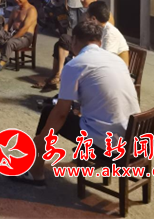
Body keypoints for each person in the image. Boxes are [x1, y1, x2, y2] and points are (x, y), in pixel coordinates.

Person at [18, 21, 140, 186]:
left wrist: (41, 139)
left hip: (109, 148)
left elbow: (61, 114)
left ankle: (36, 171)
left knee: (49, 112)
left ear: (74, 40)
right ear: (100, 42)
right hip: (134, 142)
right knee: (71, 113)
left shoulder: (75, 65)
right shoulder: (117, 60)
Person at [35, 0, 112, 91]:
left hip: (91, 46)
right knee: (59, 44)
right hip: (84, 41)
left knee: (64, 38)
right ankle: (55, 75)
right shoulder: (86, 11)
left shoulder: (102, 13)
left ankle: (59, 75)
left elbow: (102, 35)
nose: (81, 0)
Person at [0, 0, 37, 80]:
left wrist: (12, 38)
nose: (16, 0)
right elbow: (8, 23)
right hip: (13, 33)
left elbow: (25, 28)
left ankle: (0, 65)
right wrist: (5, 31)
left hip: (25, 37)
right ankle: (4, 57)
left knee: (10, 43)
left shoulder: (31, 10)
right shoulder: (15, 9)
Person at [86, 1, 129, 66]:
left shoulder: (110, 33)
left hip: (116, 68)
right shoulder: (100, 29)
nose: (86, 20)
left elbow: (106, 59)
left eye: (87, 17)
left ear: (93, 19)